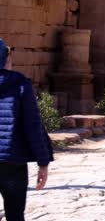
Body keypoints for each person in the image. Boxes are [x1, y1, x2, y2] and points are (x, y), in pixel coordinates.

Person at [0, 39, 54, 220]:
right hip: (12, 163)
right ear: (7, 59)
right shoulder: (21, 84)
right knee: (15, 215)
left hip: (12, 162)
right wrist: (43, 162)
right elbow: (33, 126)